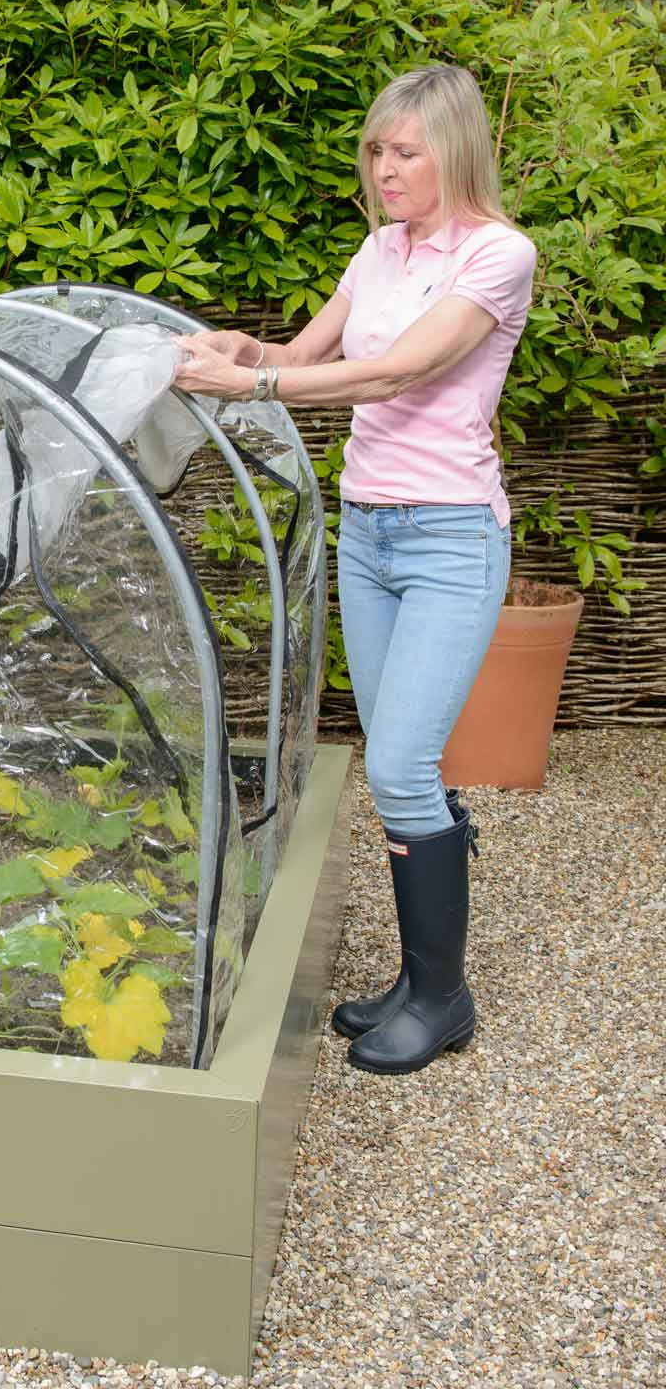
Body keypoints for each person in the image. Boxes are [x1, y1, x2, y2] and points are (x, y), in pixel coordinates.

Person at [173, 63, 536, 1076]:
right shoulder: (379, 250)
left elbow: (399, 369)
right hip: (369, 533)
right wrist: (248, 350)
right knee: (397, 758)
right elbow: (304, 353)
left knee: (398, 766)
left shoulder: (499, 254)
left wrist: (255, 378)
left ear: (454, 151)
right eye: (376, 150)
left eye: (406, 151)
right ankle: (419, 981)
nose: (384, 168)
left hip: (450, 536)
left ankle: (443, 997)